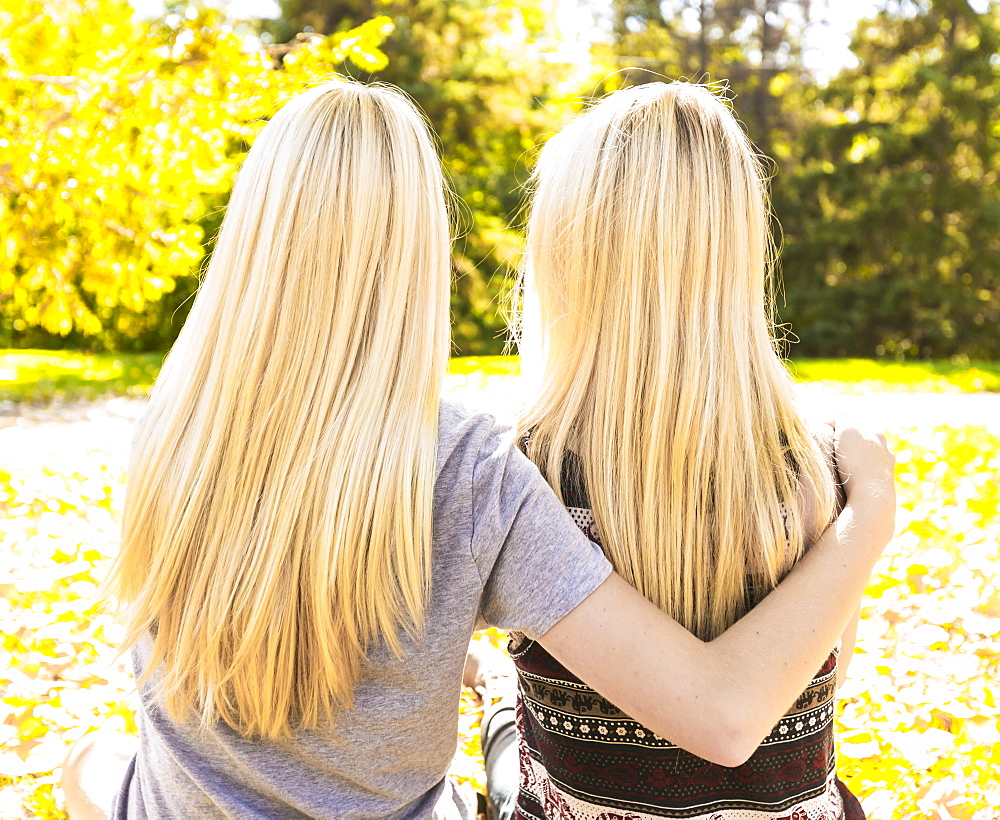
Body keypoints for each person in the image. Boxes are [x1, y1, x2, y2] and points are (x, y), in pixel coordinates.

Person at [64, 80, 894, 820]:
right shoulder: (477, 470)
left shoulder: (167, 427)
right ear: (418, 256)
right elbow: (756, 704)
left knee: (89, 766)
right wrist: (870, 519)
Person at [501, 81, 878, 820]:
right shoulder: (819, 470)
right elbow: (818, 686)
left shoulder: (522, 473)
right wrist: (873, 514)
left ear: (567, 247)